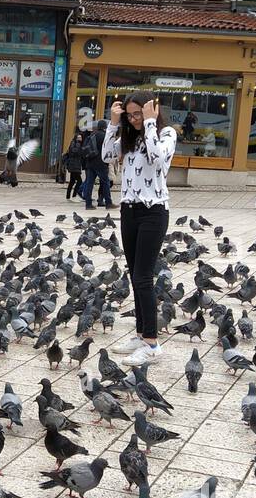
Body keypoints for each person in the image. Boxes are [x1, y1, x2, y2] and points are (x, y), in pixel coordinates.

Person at [103, 92, 176, 367]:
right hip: (129, 210)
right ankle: (140, 335)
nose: (133, 119)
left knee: (144, 277)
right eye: (130, 115)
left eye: (137, 114)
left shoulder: (166, 133)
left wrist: (149, 122)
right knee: (134, 275)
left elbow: (158, 158)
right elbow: (106, 155)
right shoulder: (129, 138)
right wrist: (113, 122)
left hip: (154, 211)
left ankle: (152, 344)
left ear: (150, 112)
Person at [80, 120, 110, 210]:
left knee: (89, 183)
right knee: (105, 182)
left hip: (90, 163)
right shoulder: (105, 136)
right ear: (105, 127)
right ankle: (108, 202)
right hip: (101, 163)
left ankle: (88, 204)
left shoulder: (91, 135)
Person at [63, 131, 85, 200]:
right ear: (76, 138)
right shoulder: (76, 144)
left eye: (80, 137)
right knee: (79, 181)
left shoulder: (73, 143)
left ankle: (68, 196)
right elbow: (75, 152)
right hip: (75, 165)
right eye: (79, 137)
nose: (80, 138)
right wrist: (81, 149)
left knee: (72, 181)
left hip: (73, 165)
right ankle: (74, 196)